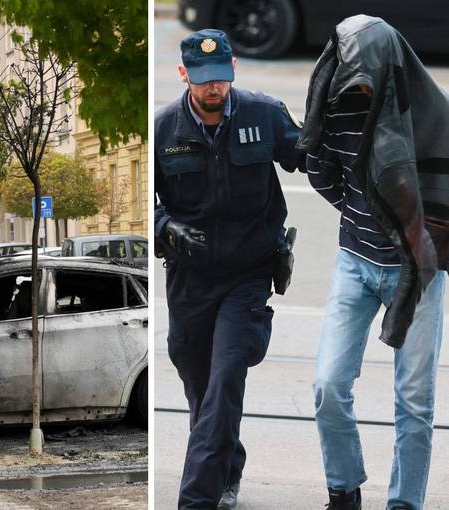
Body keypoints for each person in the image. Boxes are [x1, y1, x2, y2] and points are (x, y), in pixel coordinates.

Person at [297, 15, 449, 510]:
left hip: (418, 272)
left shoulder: (427, 114)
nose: (356, 80)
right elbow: (322, 173)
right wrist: (368, 216)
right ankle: (344, 489)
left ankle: (404, 503)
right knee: (328, 386)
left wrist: (414, 236)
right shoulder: (335, 108)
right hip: (355, 262)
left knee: (415, 402)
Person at [154, 29, 304, 509]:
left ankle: (195, 499)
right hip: (190, 279)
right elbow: (143, 205)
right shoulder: (163, 130)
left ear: (233, 69)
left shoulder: (263, 113)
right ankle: (227, 468)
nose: (213, 88)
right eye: (202, 80)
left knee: (223, 383)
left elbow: (309, 157)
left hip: (247, 273)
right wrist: (165, 227)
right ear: (184, 76)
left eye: (220, 77)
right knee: (200, 386)